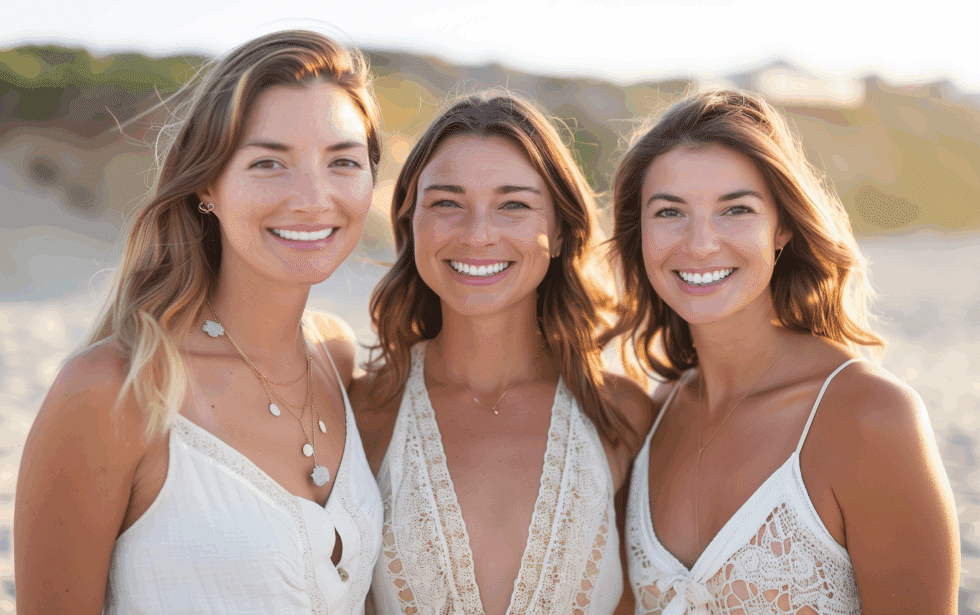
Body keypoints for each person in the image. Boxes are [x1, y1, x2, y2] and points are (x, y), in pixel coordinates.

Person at [15, 30, 384, 615]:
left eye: (343, 161)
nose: (313, 198)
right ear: (208, 185)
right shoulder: (112, 390)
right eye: (269, 162)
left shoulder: (335, 357)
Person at [605, 89, 960, 614]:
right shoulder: (653, 418)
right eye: (670, 212)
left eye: (736, 209)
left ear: (783, 228)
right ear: (641, 236)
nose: (700, 243)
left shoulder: (870, 416)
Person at [352, 91, 651, 615]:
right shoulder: (365, 412)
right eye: (447, 203)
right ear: (411, 223)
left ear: (559, 231)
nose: (478, 234)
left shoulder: (622, 415)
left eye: (513, 204)